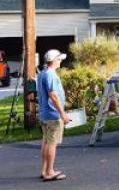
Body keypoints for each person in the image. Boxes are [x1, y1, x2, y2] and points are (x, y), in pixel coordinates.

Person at [38, 49, 70, 182]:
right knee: (52, 143)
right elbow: (53, 95)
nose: (60, 61)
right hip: (53, 115)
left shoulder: (42, 74)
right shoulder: (50, 74)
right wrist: (63, 113)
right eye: (59, 59)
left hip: (45, 114)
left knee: (46, 142)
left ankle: (44, 170)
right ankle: (50, 172)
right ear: (53, 61)